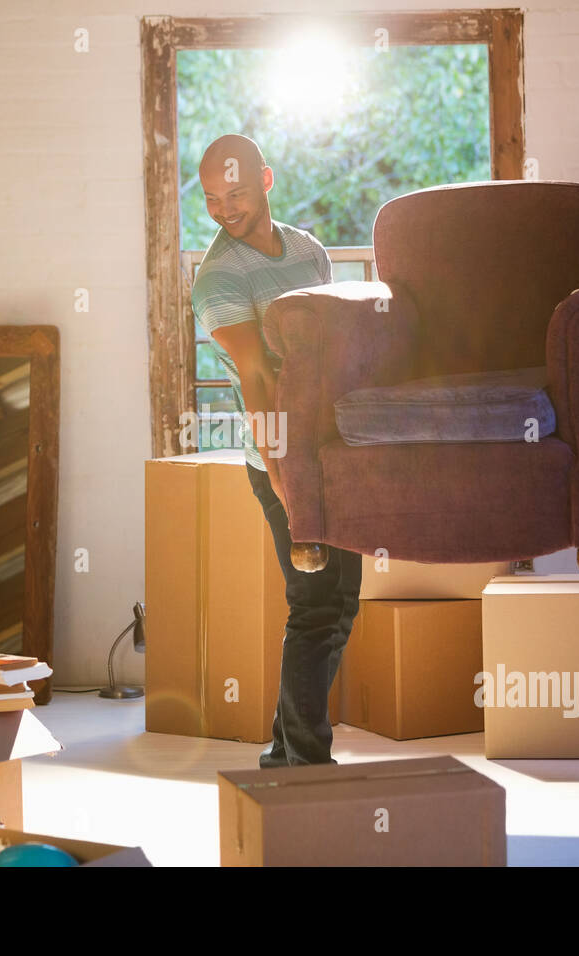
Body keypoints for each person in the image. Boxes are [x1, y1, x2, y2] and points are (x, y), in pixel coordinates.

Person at [191, 134, 361, 767]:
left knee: (338, 602)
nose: (224, 209)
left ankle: (284, 753)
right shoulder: (219, 279)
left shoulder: (308, 250)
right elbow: (258, 380)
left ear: (265, 180)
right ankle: (305, 764)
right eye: (211, 199)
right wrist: (289, 483)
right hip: (285, 460)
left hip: (333, 451)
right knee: (316, 605)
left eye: (235, 193)